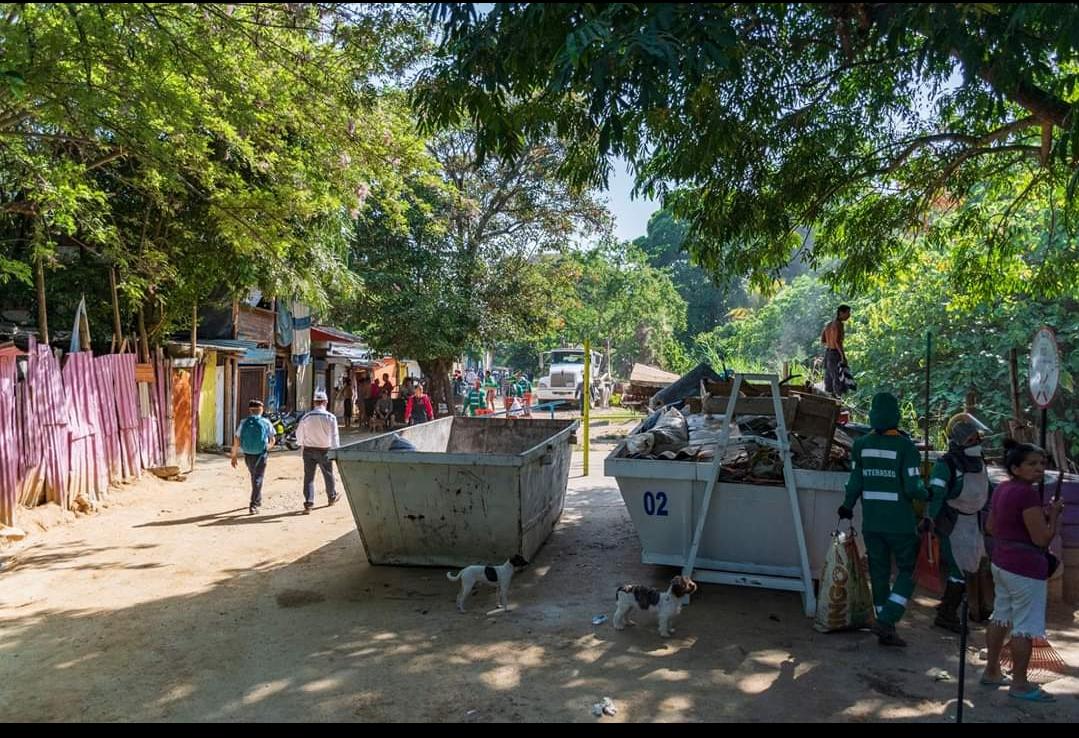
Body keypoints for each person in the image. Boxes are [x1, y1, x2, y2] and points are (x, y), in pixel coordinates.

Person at [838, 391, 928, 646]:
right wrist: (927, 493)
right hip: (900, 523)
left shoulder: (861, 445)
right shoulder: (906, 447)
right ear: (896, 415)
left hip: (872, 522)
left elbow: (855, 481)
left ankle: (882, 623)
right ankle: (888, 619)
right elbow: (913, 488)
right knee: (909, 571)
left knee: (878, 571)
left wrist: (847, 505)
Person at [980, 441, 1063, 703]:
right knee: (1025, 627)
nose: (1039, 468)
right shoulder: (1027, 494)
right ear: (1016, 467)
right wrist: (1055, 516)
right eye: (1032, 464)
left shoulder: (1002, 488)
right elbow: (1042, 539)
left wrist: (1041, 515)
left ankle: (992, 670)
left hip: (1002, 561)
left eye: (1042, 463)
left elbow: (992, 527)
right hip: (1025, 568)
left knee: (1000, 617)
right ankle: (1020, 683)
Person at [924, 412, 992, 633]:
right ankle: (947, 614)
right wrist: (929, 519)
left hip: (973, 522)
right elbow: (936, 494)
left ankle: (947, 607)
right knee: (958, 570)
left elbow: (986, 489)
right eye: (971, 439)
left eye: (977, 438)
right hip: (953, 523)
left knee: (969, 566)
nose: (977, 442)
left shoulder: (979, 461)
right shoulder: (947, 464)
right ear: (959, 441)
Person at [294, 388, 340, 514]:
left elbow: (299, 434)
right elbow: (335, 436)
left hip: (308, 451)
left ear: (314, 403)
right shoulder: (331, 417)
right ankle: (331, 497)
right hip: (325, 450)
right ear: (325, 402)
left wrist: (301, 444)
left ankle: (309, 504)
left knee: (309, 477)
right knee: (328, 474)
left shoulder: (306, 417)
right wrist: (336, 451)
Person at [231, 399, 276, 515]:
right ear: (261, 410)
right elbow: (273, 439)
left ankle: (257, 499)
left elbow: (236, 438)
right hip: (261, 453)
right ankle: (253, 504)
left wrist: (234, 455)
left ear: (250, 410)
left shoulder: (243, 422)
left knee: (254, 476)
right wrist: (268, 447)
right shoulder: (266, 422)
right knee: (258, 478)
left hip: (248, 453)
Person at [821, 304, 851, 396]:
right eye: (848, 313)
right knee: (838, 378)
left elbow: (823, 340)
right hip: (835, 353)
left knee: (829, 377)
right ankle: (837, 400)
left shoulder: (829, 324)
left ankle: (829, 397)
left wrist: (830, 345)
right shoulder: (838, 324)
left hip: (828, 353)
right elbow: (837, 341)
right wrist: (843, 356)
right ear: (841, 313)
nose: (849, 315)